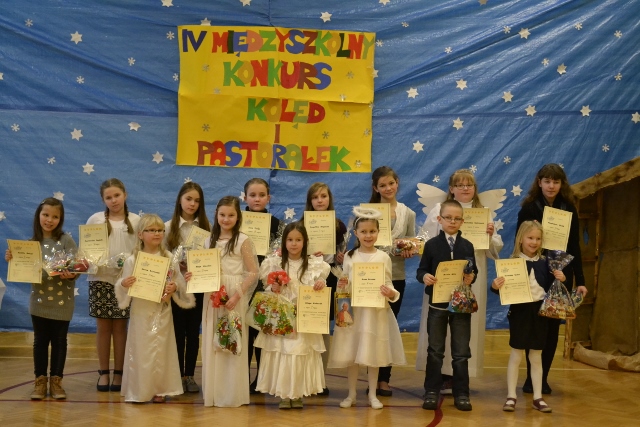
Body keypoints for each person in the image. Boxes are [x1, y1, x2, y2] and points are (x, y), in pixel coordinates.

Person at [416, 169, 503, 392]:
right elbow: (425, 240)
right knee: (438, 327)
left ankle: (460, 377)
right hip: (441, 277)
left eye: (469, 185)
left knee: (464, 325)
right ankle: (440, 375)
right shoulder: (439, 209)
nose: (465, 188)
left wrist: (490, 235)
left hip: (470, 277)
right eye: (460, 185)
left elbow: (495, 249)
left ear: (475, 188)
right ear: (451, 189)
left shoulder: (483, 213)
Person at [517, 164, 588, 394]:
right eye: (547, 181)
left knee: (551, 329)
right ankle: (531, 378)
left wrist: (581, 280)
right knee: (535, 328)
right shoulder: (529, 208)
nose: (551, 186)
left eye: (556, 182)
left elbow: (574, 246)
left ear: (561, 184)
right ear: (539, 183)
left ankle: (542, 378)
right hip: (535, 274)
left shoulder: (569, 208)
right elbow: (520, 242)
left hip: (561, 275)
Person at [328, 207, 406, 410]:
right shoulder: (350, 256)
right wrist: (342, 285)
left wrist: (390, 293)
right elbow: (344, 283)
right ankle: (351, 394)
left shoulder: (383, 257)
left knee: (374, 353)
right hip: (354, 311)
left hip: (375, 312)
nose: (368, 235)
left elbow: (388, 283)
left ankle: (372, 394)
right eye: (364, 232)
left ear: (378, 232)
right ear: (356, 233)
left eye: (372, 231)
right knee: (352, 353)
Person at [115, 214, 194, 403]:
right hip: (141, 310)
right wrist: (124, 284)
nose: (157, 233)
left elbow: (178, 282)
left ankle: (161, 389)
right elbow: (123, 285)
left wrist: (174, 287)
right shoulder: (133, 260)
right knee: (141, 349)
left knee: (161, 349)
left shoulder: (169, 258)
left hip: (162, 310)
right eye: (151, 230)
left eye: (160, 230)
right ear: (140, 234)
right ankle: (140, 390)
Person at [4, 198, 78, 400]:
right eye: (46, 215)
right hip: (39, 302)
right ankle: (40, 381)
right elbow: (23, 270)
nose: (49, 220)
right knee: (40, 342)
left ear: (61, 219)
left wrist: (71, 274)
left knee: (60, 341)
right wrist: (13, 259)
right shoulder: (30, 244)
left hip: (62, 302)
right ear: (38, 215)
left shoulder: (66, 241)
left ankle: (56, 382)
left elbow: (76, 268)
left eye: (55, 217)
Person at [254, 221, 330, 409]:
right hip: (281, 317)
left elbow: (320, 284)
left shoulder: (314, 264)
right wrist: (274, 288)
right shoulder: (273, 263)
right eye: (290, 240)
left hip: (304, 318)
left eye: (298, 240)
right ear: (284, 242)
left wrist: (320, 284)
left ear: (305, 242)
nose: (294, 244)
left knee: (299, 352)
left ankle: (297, 394)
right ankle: (284, 394)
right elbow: (268, 289)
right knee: (283, 353)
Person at [491, 221, 563, 413]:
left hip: (540, 313)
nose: (534, 242)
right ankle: (511, 396)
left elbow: (553, 289)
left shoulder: (547, 263)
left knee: (536, 355)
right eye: (530, 238)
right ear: (521, 239)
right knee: (516, 354)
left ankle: (537, 397)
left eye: (538, 238)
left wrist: (560, 279)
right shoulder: (512, 263)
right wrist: (495, 286)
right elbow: (503, 290)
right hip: (520, 313)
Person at [417, 199, 478, 412]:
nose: (452, 221)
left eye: (457, 218)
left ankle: (462, 393)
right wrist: (425, 277)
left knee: (461, 353)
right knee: (435, 351)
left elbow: (473, 270)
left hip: (460, 308)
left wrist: (471, 277)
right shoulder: (432, 245)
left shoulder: (467, 245)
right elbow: (421, 270)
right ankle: (431, 391)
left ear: (462, 221)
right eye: (448, 218)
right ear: (439, 219)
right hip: (437, 306)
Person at [200, 196, 259, 407]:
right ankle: (215, 393)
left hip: (234, 294)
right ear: (216, 215)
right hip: (213, 294)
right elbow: (203, 269)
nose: (226, 219)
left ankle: (232, 394)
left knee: (232, 339)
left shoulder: (243, 240)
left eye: (231, 215)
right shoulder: (208, 241)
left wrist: (236, 295)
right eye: (222, 215)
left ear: (238, 216)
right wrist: (193, 276)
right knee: (213, 341)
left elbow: (253, 272)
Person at [86, 178, 140, 392]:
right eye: (108, 197)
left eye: (117, 195)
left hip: (125, 282)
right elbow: (88, 250)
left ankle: (119, 372)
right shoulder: (95, 220)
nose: (113, 200)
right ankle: (103, 372)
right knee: (103, 327)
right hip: (100, 280)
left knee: (120, 327)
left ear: (125, 195)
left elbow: (140, 251)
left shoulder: (136, 221)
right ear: (103, 200)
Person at [370, 166, 416, 396]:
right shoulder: (368, 212)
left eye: (391, 183)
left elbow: (412, 242)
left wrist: (409, 249)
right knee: (371, 328)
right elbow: (359, 242)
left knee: (389, 326)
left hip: (395, 276)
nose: (388, 188)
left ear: (397, 183)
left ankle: (383, 379)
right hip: (370, 276)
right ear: (375, 188)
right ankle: (370, 377)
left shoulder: (408, 213)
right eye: (382, 185)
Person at [164, 182, 211, 394]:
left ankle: (189, 375)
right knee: (176, 332)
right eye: (188, 199)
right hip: (175, 289)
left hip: (198, 287)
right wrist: (177, 268)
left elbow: (212, 258)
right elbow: (162, 259)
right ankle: (176, 376)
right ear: (180, 200)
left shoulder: (207, 229)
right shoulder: (168, 227)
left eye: (197, 201)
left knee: (193, 333)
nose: (192, 204)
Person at [304, 182, 347, 395]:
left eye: (323, 196)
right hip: (307, 277)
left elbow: (343, 256)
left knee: (323, 329)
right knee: (307, 327)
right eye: (315, 197)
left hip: (329, 277)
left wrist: (341, 257)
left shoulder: (339, 226)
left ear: (329, 198)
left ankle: (320, 379)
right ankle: (305, 378)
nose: (320, 200)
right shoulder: (302, 224)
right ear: (309, 201)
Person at [243, 178, 282, 394]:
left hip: (265, 285)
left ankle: (261, 379)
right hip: (242, 283)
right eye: (252, 195)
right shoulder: (237, 220)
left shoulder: (276, 224)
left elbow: (281, 253)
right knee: (244, 332)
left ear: (268, 198)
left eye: (261, 195)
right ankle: (241, 377)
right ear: (245, 198)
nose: (257, 199)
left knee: (261, 331)